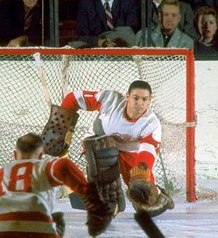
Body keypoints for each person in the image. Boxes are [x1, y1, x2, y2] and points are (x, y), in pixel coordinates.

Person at [0, 133, 113, 238]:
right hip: (38, 231)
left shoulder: (3, 172)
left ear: (15, 154)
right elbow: (62, 166)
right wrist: (94, 204)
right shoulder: (43, 166)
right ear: (41, 155)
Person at [57, 80, 175, 217]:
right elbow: (73, 98)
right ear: (127, 96)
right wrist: (61, 124)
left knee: (146, 200)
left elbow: (147, 151)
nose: (140, 103)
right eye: (136, 98)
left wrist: (141, 174)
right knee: (104, 149)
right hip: (99, 141)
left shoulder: (151, 124)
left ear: (150, 101)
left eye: (144, 99)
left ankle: (161, 196)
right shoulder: (110, 101)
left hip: (130, 152)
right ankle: (106, 199)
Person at [72, 0, 139, 48]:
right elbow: (81, 36)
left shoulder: (128, 2)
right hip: (96, 49)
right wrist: (99, 42)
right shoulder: (86, 4)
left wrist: (116, 41)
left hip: (123, 48)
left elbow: (132, 31)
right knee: (75, 44)